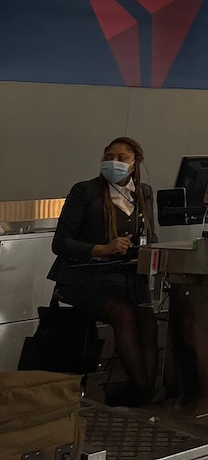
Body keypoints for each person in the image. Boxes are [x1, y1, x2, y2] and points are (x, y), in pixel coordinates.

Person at [48, 137, 158, 406]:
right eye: (109, 156)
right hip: (83, 276)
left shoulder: (143, 192)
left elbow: (151, 236)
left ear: (135, 163)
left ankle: (147, 388)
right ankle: (145, 393)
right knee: (123, 313)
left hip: (124, 277)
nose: (114, 162)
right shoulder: (85, 191)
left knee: (147, 315)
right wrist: (102, 249)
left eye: (122, 158)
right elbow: (60, 243)